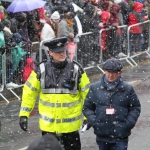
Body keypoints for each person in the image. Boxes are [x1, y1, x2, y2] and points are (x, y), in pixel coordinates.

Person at [19, 37, 90, 150]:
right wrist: (24, 114)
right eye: (58, 52)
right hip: (49, 129)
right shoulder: (41, 70)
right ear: (50, 52)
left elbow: (87, 95)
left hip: (70, 129)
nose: (62, 54)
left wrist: (88, 116)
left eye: (63, 50)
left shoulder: (76, 69)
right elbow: (29, 93)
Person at [83, 58, 141, 150]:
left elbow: (135, 107)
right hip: (102, 135)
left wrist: (128, 123)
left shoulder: (127, 89)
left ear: (120, 72)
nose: (110, 75)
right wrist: (95, 122)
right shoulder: (95, 88)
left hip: (121, 136)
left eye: (113, 72)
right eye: (108, 71)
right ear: (104, 71)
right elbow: (87, 107)